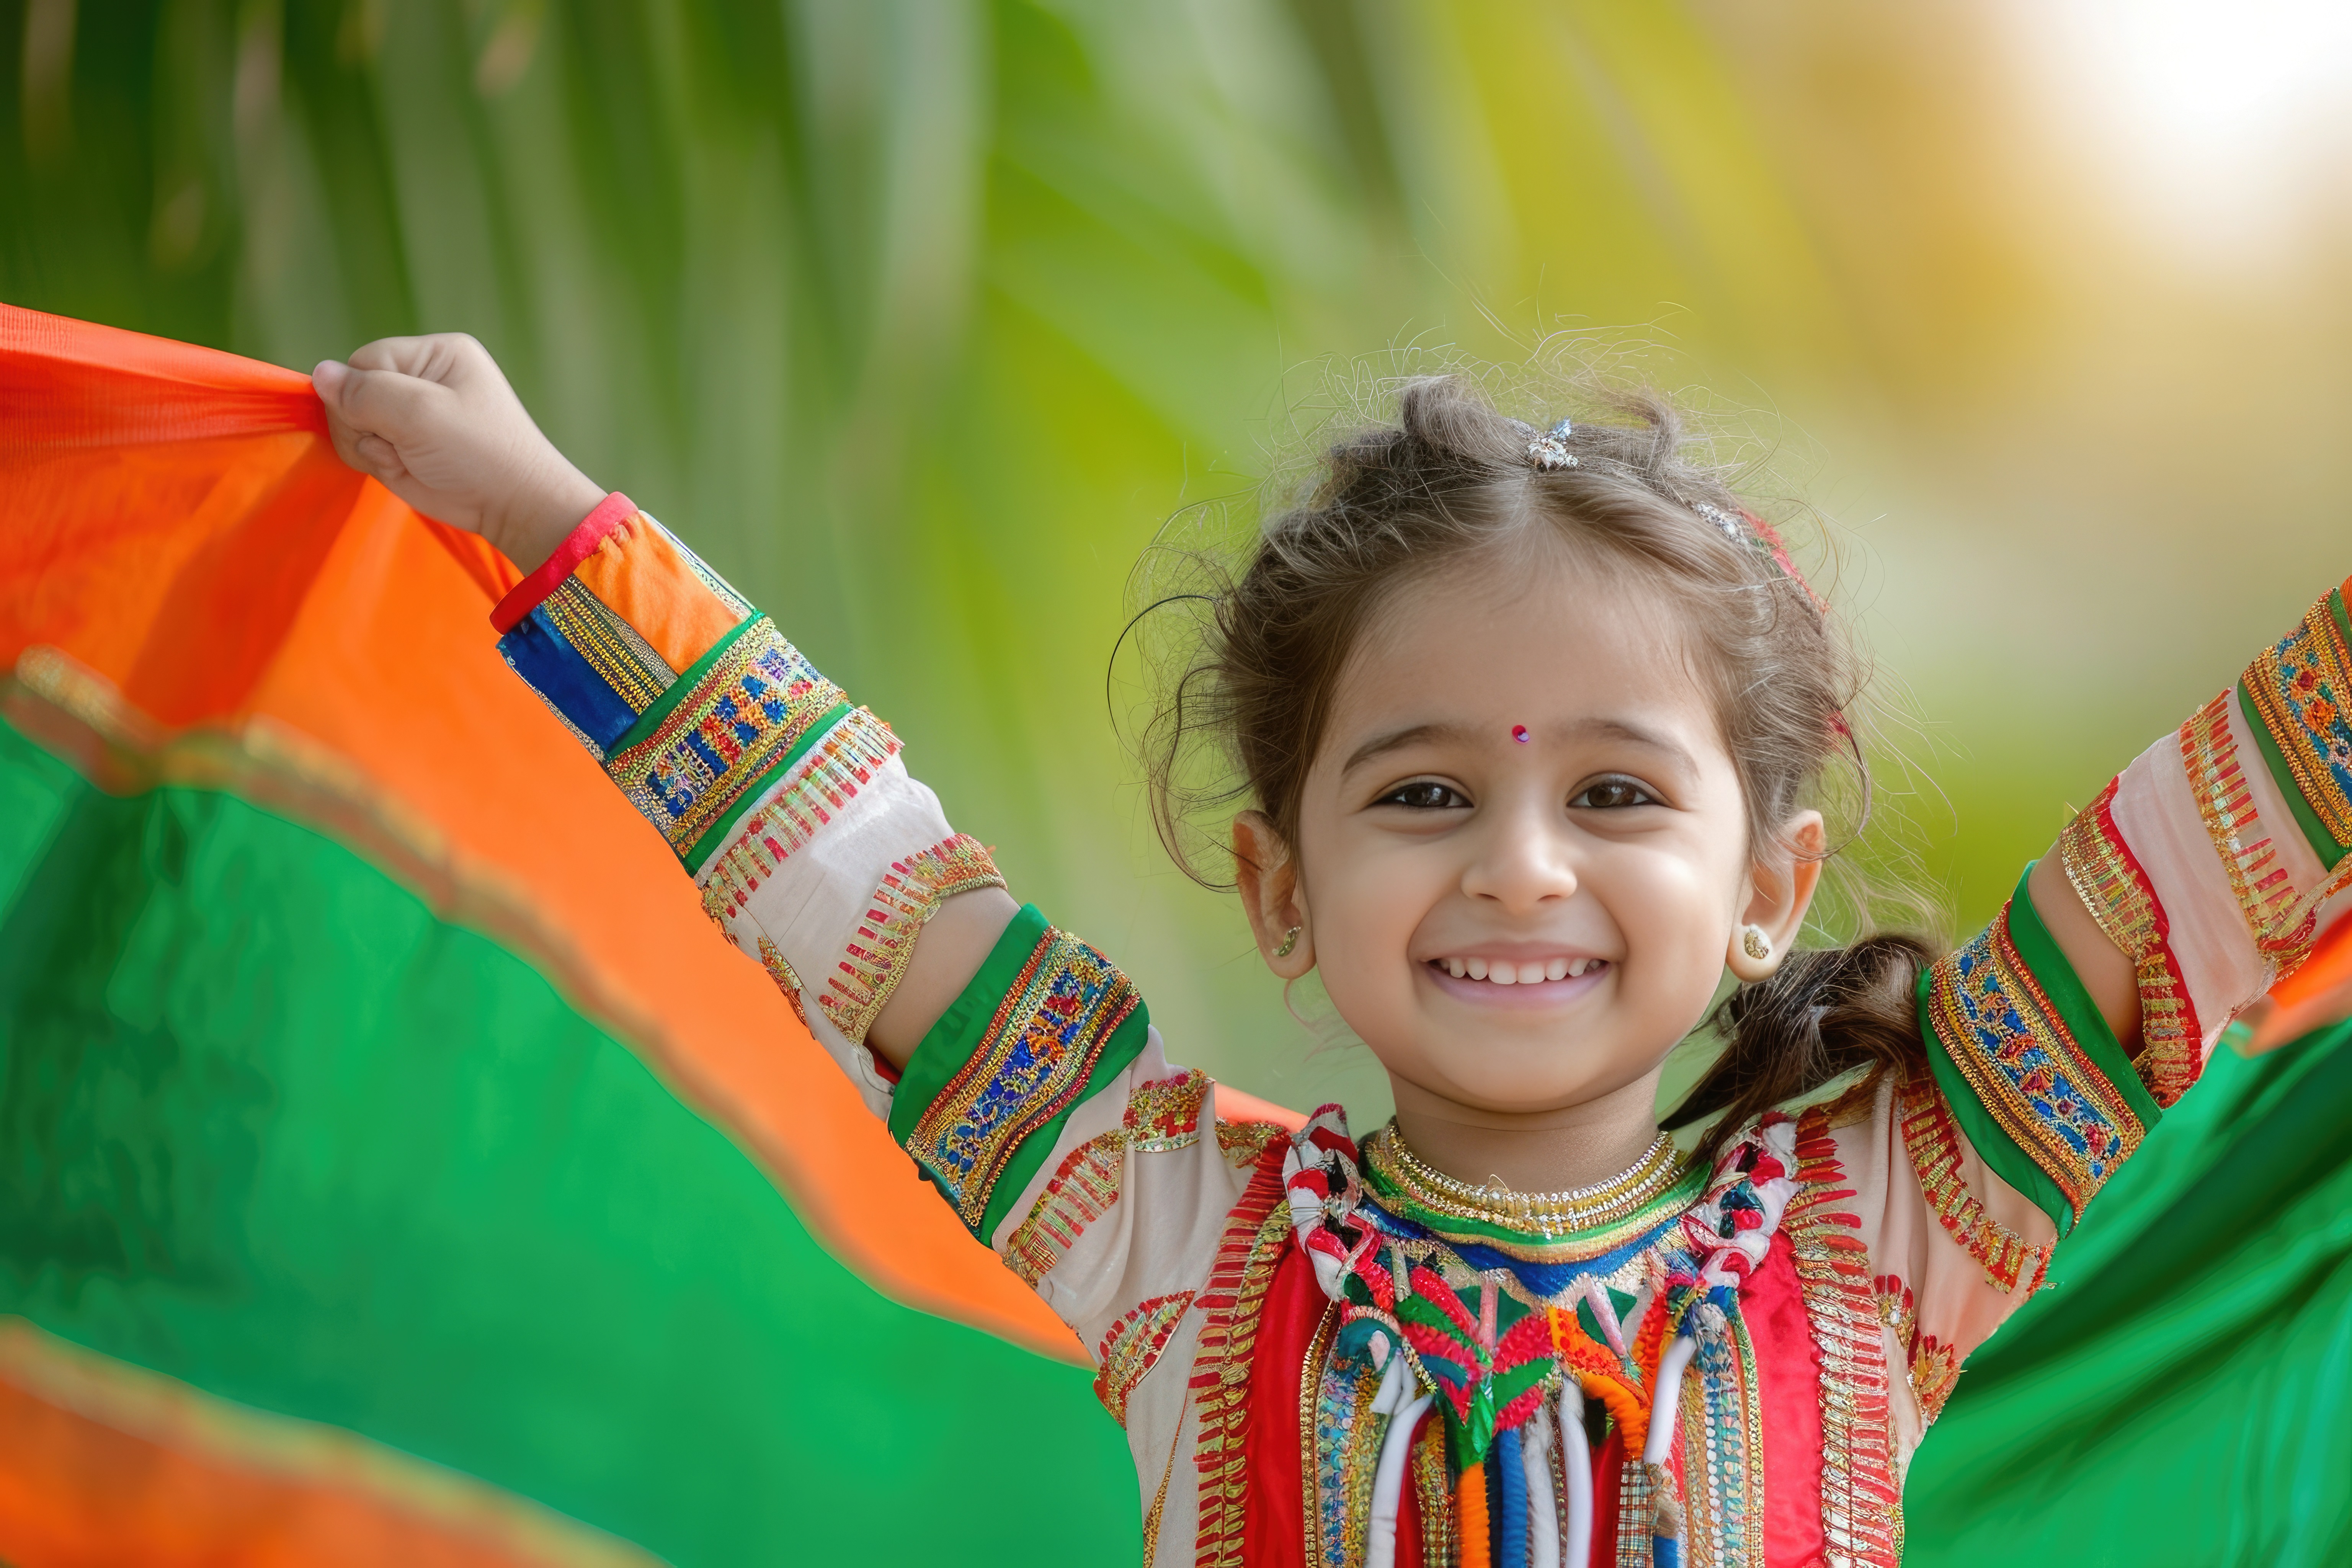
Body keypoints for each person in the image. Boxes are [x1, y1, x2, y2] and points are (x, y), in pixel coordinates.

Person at [310, 333, 2349, 1568]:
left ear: (1771, 886)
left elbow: (2218, 833)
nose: (1523, 869)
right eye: (1427, 795)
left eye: (1619, 796)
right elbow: (863, 885)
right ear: (1282, 892)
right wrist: (557, 522)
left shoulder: (1891, 1216)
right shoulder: (1172, 1235)